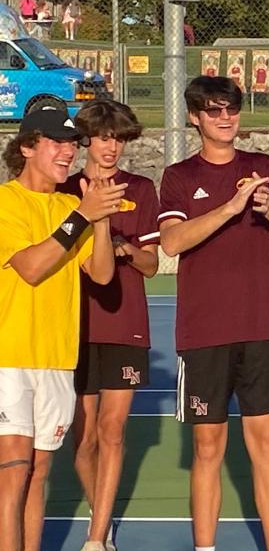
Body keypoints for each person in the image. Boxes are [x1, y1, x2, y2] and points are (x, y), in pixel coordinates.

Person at [158, 76, 269, 551]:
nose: (225, 118)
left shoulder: (262, 166)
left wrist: (268, 208)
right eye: (214, 110)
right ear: (195, 117)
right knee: (208, 450)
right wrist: (231, 207)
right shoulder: (179, 176)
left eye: (232, 109)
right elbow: (172, 241)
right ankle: (206, 547)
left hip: (262, 325)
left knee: (266, 446)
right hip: (204, 332)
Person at [0, 107, 124, 551]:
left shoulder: (71, 205)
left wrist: (101, 217)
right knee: (12, 473)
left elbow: (103, 274)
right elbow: (31, 268)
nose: (69, 151)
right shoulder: (6, 202)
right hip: (9, 357)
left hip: (56, 357)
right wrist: (82, 218)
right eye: (57, 142)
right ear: (28, 148)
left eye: (73, 143)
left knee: (38, 474)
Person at [58, 100, 160, 551]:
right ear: (85, 141)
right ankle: (102, 511)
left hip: (124, 323)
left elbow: (153, 264)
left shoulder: (141, 187)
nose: (110, 147)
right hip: (72, 325)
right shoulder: (62, 188)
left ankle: (98, 536)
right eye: (102, 137)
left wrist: (125, 250)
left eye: (117, 138)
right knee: (84, 439)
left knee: (113, 431)